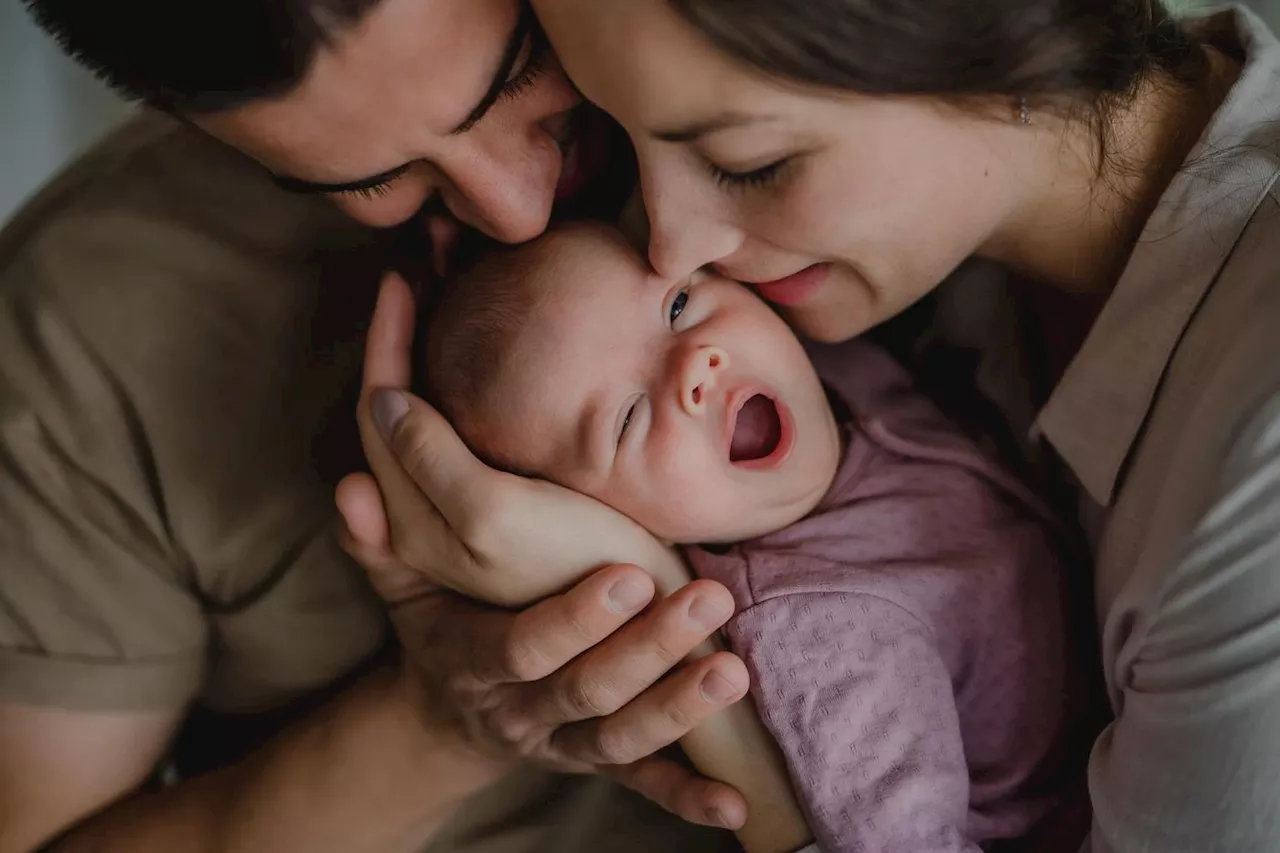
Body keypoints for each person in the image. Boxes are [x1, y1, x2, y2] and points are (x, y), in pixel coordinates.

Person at [353, 0, 1280, 851]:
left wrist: (693, 665)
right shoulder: (886, 287)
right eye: (623, 140)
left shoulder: (1255, 479)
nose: (670, 248)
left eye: (750, 161)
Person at [1, 1, 751, 851]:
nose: (515, 209)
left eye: (523, 68)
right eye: (368, 181)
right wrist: (442, 726)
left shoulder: (829, 68)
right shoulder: (79, 336)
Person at [419, 221, 1098, 853]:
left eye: (679, 305)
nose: (695, 364)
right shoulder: (822, 633)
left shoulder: (833, 364)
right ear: (610, 522)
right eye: (627, 419)